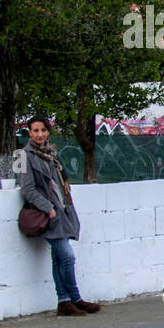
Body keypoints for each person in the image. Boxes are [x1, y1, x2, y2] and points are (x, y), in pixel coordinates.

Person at [18, 116, 101, 317]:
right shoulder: (20, 156)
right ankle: (75, 298)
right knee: (67, 256)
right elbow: (26, 189)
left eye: (43, 130)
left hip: (61, 212)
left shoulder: (51, 153)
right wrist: (48, 208)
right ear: (29, 132)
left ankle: (64, 302)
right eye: (35, 131)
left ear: (48, 131)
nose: (39, 135)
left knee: (58, 257)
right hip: (44, 214)